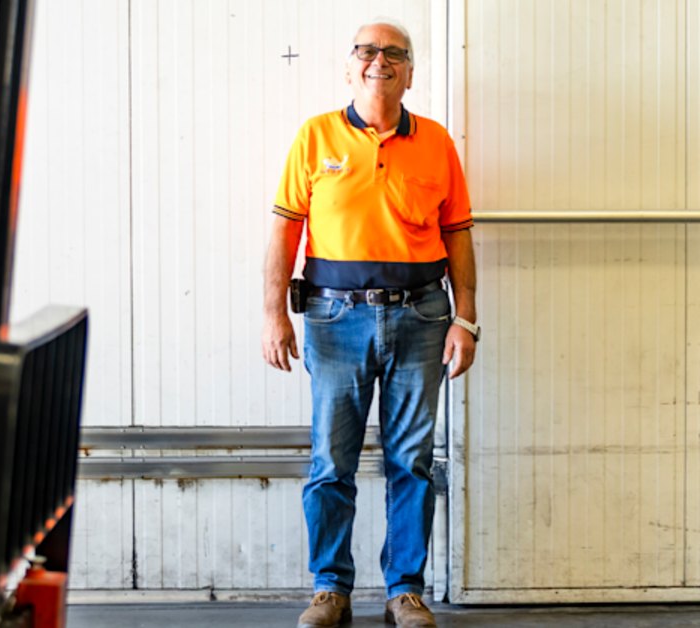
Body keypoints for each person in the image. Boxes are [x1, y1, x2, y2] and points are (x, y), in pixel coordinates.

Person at [261, 19, 478, 628]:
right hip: (334, 319)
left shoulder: (436, 141)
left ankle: (404, 590)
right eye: (366, 50)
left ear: (410, 72)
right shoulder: (315, 136)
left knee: (412, 460)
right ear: (349, 65)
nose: (378, 61)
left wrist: (468, 319)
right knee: (332, 461)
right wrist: (273, 312)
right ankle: (330, 588)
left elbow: (458, 234)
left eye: (393, 54)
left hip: (422, 316)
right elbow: (284, 230)